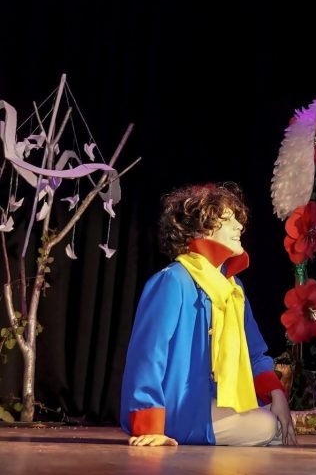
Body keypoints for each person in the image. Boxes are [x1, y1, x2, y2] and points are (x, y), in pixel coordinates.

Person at [120, 182, 297, 447]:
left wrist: (277, 395)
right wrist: (150, 426)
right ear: (202, 228)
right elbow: (148, 355)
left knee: (276, 428)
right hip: (177, 410)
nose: (239, 226)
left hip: (213, 403)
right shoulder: (174, 281)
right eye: (229, 219)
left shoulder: (233, 288)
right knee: (268, 427)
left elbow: (255, 353)